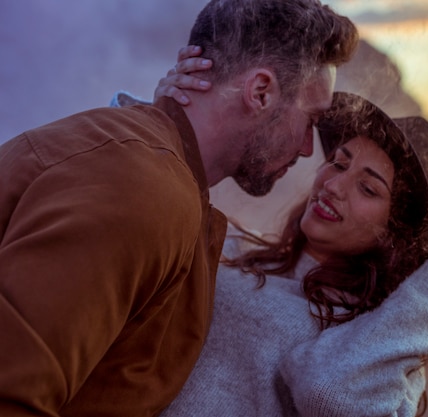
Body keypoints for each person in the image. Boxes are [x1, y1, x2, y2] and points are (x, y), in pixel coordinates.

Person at [0, 1, 358, 415]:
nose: (308, 147)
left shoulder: (145, 170)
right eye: (310, 119)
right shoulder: (142, 192)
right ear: (260, 92)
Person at [132, 84, 428, 415]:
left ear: (395, 232)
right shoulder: (239, 245)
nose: (332, 186)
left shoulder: (379, 338)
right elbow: (139, 216)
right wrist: (169, 109)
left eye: (367, 188)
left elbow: (329, 396)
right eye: (338, 163)